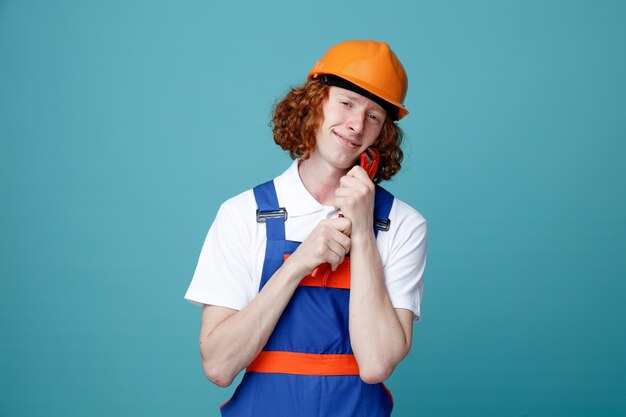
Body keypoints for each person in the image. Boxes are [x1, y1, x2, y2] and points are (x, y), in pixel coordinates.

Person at [185, 40, 428, 417]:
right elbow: (218, 367)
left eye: (374, 116)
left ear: (382, 135)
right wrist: (298, 264)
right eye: (346, 103)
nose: (356, 125)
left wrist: (363, 233)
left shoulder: (402, 225)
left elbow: (377, 364)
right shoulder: (242, 214)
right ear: (315, 102)